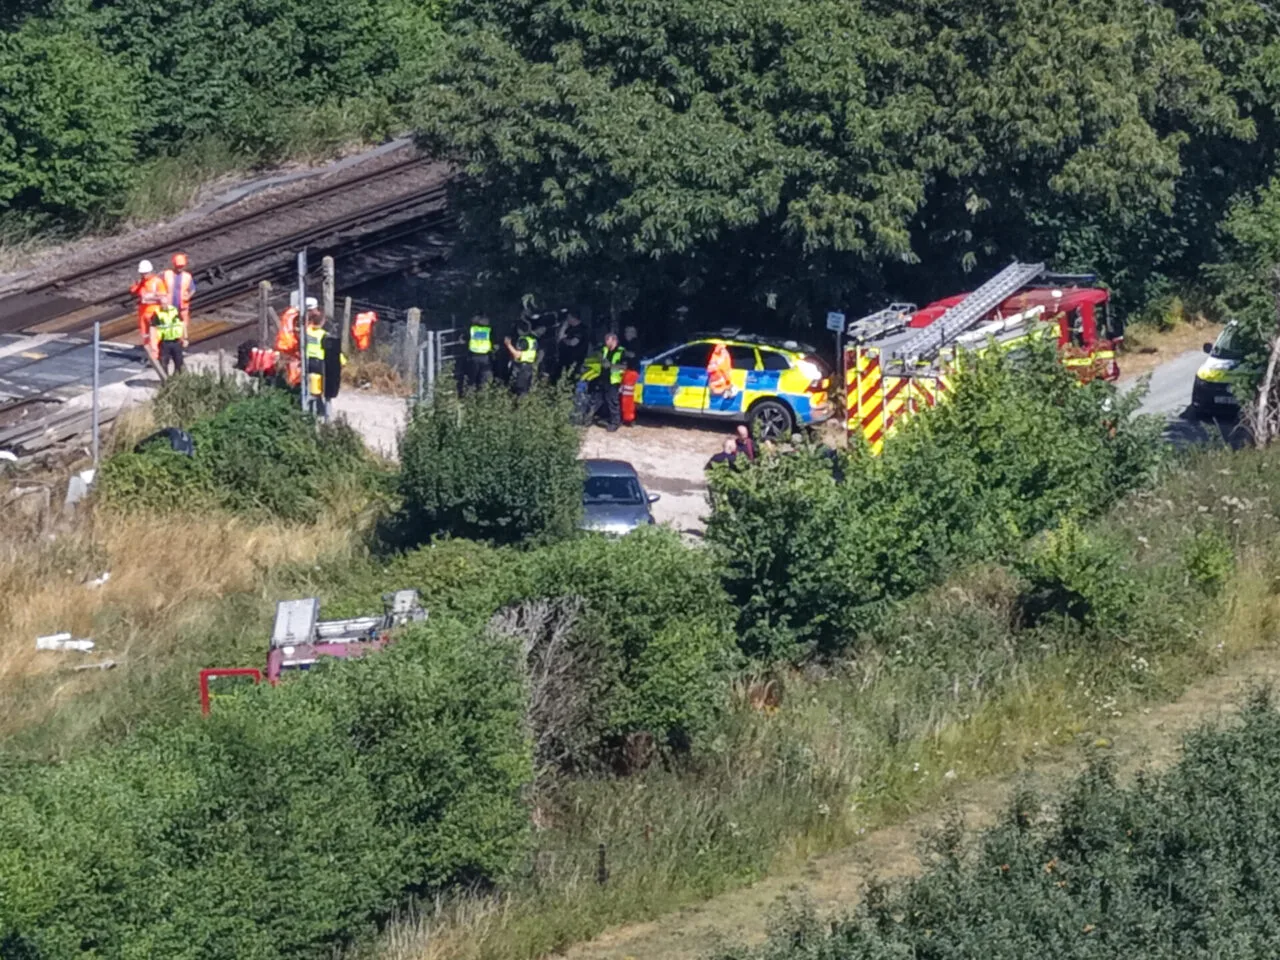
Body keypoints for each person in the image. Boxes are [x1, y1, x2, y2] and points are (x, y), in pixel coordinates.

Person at [130, 260, 167, 360]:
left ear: (150, 272)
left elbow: (163, 297)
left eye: (145, 273)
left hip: (154, 311)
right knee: (145, 335)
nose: (143, 275)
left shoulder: (157, 282)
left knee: (154, 337)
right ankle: (148, 354)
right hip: (143, 312)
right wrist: (138, 284)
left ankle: (154, 358)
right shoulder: (142, 282)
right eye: (142, 273)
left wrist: (150, 298)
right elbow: (133, 291)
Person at [599, 332, 626, 431]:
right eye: (605, 340)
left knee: (613, 402)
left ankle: (615, 422)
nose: (606, 342)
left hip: (614, 380)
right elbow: (600, 360)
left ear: (614, 340)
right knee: (604, 400)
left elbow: (623, 366)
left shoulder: (621, 351)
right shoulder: (605, 350)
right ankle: (607, 418)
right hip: (604, 378)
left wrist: (610, 365)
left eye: (608, 339)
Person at [503, 322, 538, 395]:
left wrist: (508, 345)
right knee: (525, 389)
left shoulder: (523, 341)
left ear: (519, 330)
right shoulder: (532, 339)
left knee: (519, 390)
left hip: (522, 367)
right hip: (529, 366)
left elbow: (517, 355)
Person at [162, 252, 196, 326]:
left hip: (182, 305)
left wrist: (188, 296)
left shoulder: (187, 276)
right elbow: (159, 285)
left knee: (183, 323)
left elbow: (193, 289)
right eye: (178, 266)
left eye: (181, 266)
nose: (180, 268)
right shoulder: (167, 274)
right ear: (174, 265)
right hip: (169, 304)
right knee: (169, 324)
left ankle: (183, 337)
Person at [151, 304, 186, 375]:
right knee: (163, 362)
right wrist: (153, 342)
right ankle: (166, 380)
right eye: (162, 304)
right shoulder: (157, 313)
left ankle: (177, 378)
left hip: (176, 341)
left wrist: (185, 338)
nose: (164, 306)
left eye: (165, 304)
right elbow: (152, 327)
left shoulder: (174, 310)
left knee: (179, 361)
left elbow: (182, 324)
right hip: (165, 341)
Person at [555, 310, 588, 379]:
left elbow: (573, 343)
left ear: (573, 318)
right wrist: (563, 327)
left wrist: (564, 340)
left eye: (568, 318)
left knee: (569, 378)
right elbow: (559, 338)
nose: (567, 320)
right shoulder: (569, 328)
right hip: (563, 359)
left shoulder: (581, 329)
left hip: (574, 360)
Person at [465, 314, 495, 389]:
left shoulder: (472, 329)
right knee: (485, 379)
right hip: (485, 357)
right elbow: (493, 341)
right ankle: (483, 396)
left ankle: (470, 396)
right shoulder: (488, 330)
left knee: (471, 379)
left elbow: (464, 339)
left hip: (474, 356)